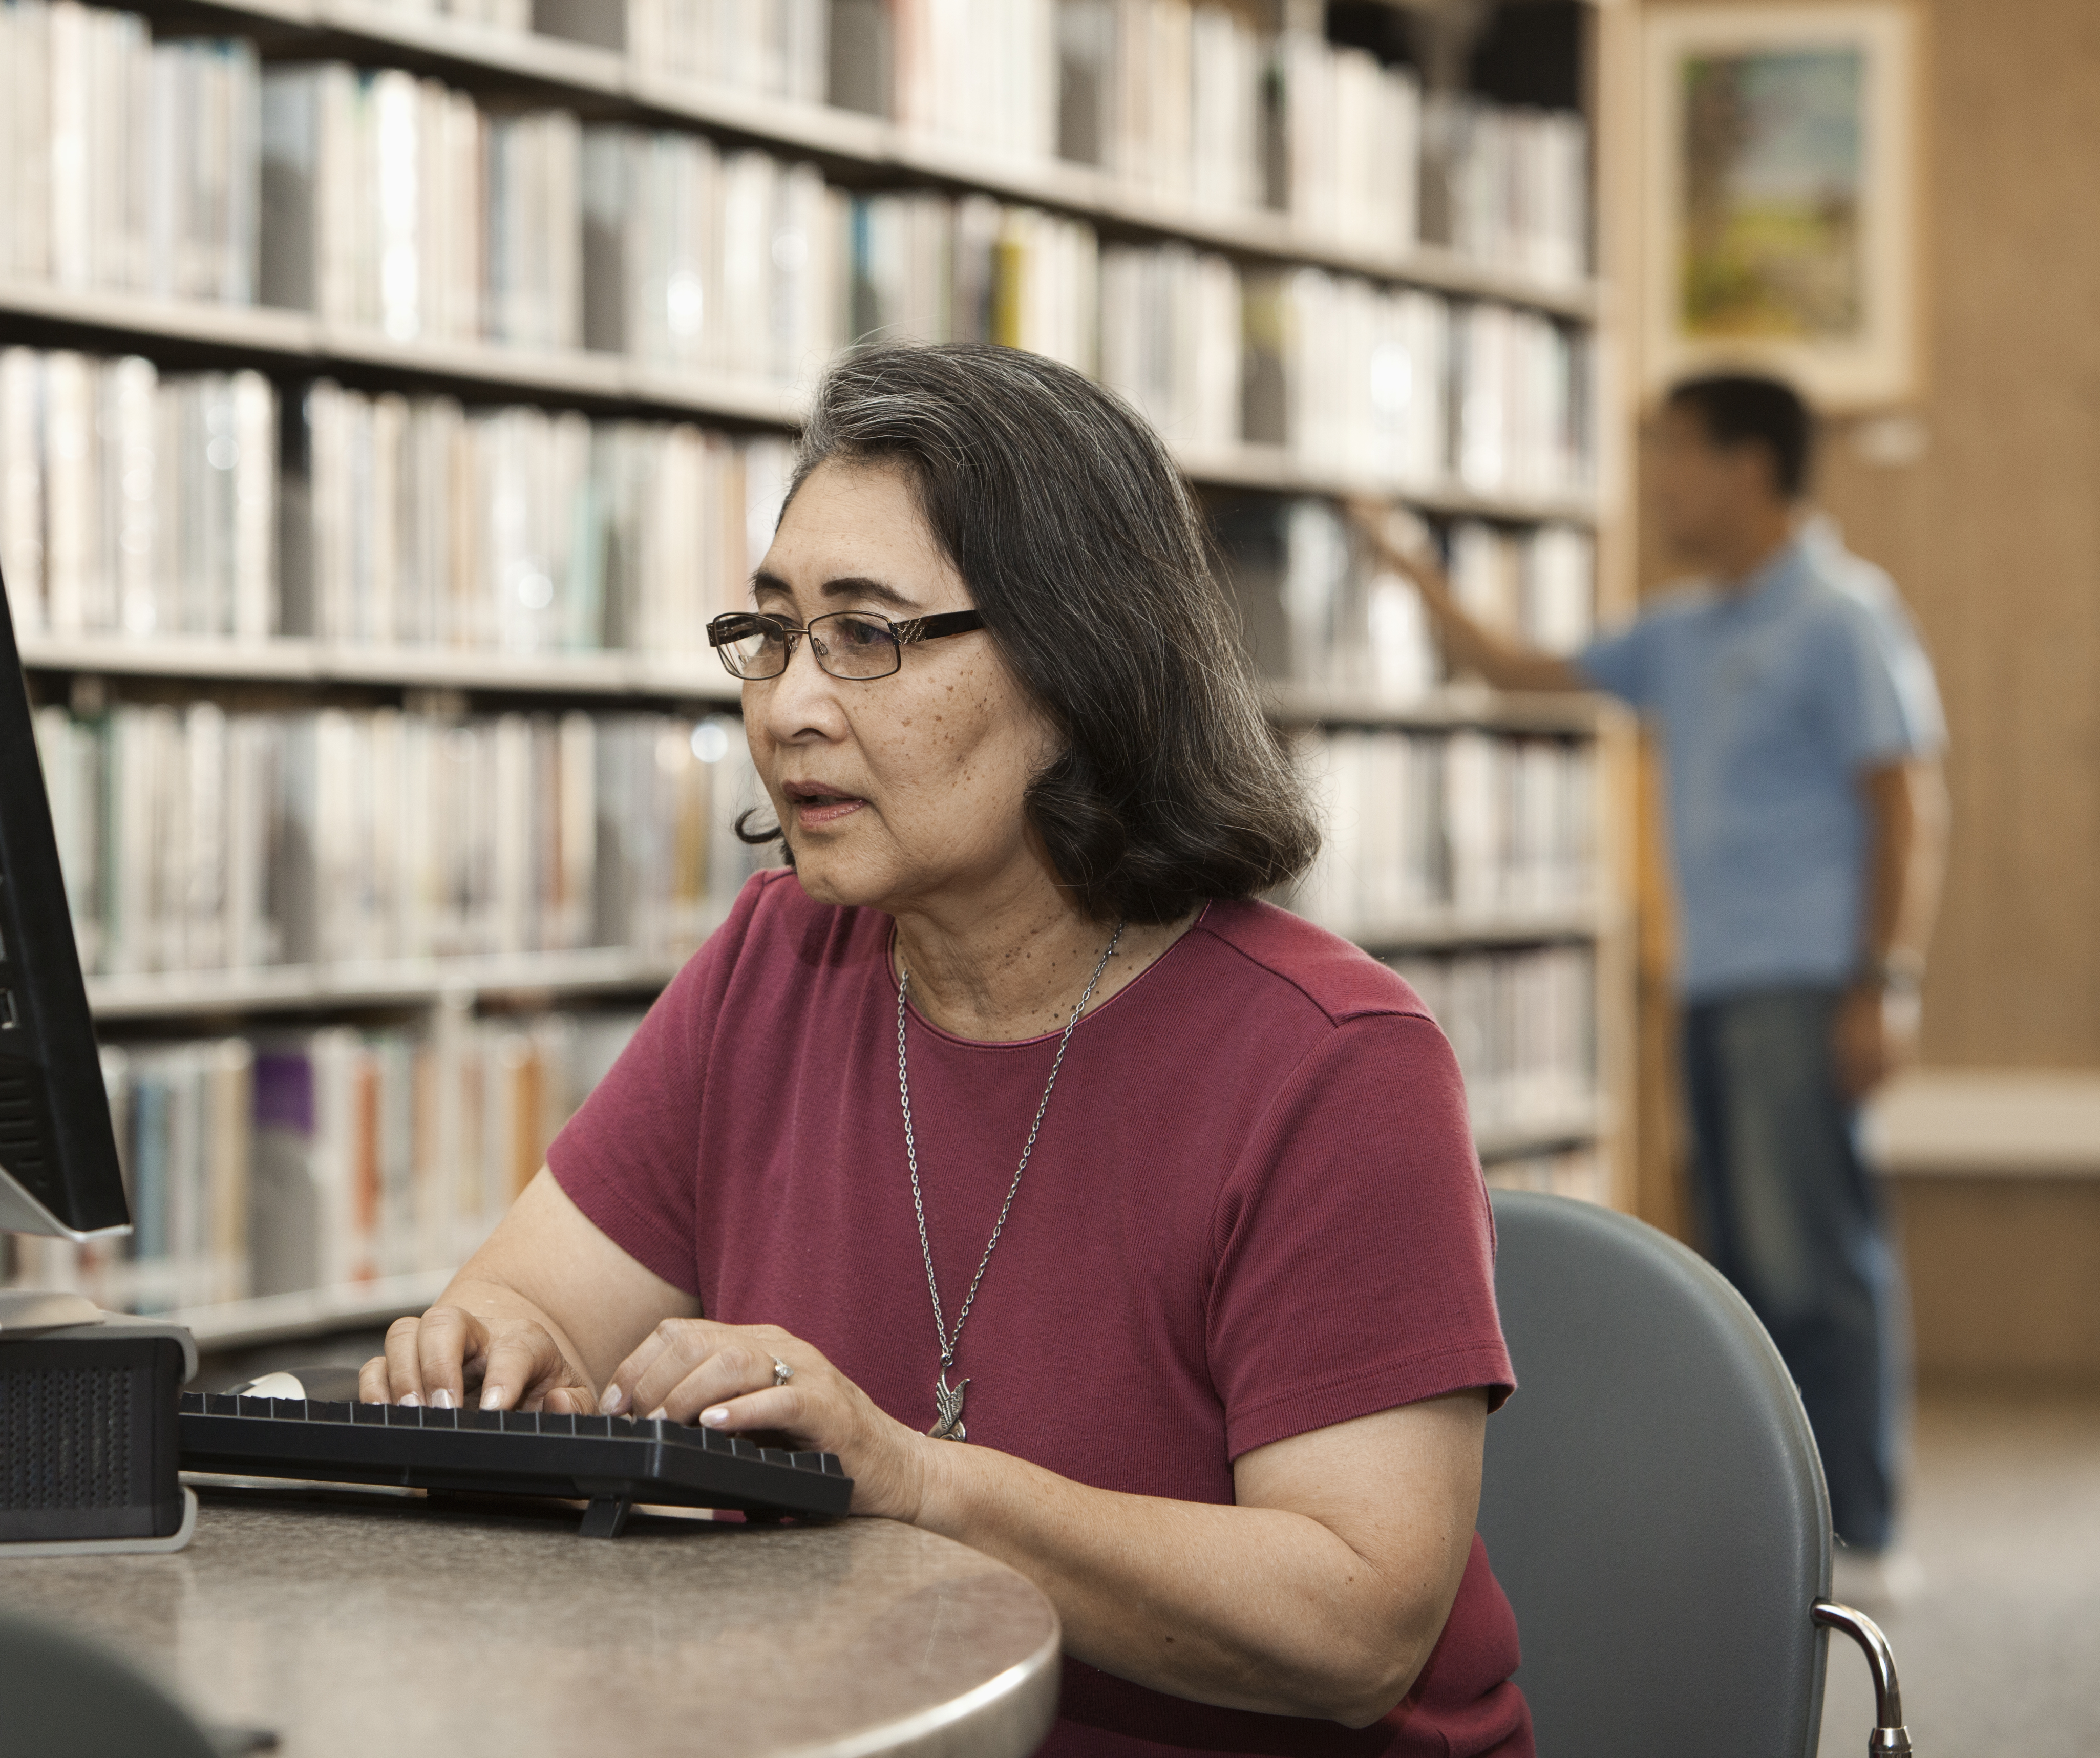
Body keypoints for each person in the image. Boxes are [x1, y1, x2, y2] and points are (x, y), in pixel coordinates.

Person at [361, 342, 1534, 1755]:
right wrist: (494, 1362)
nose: (789, 702)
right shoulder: (769, 966)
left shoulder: (1334, 1063)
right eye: (772, 632)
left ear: (1074, 664)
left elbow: (1354, 1625)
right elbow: (532, 1305)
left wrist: (916, 1480)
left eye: (866, 635)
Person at [1351, 372, 1947, 1566]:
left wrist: (1884, 983)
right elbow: (1522, 673)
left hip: (1804, 986)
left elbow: (1906, 802)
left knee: (1816, 1265)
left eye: (1675, 452)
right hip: (1711, 989)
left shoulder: (1840, 613)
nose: (1657, 480)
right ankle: (1789, 1530)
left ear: (1746, 466)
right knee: (1745, 1266)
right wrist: (1406, 565)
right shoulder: (1683, 627)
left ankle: (1864, 1534)